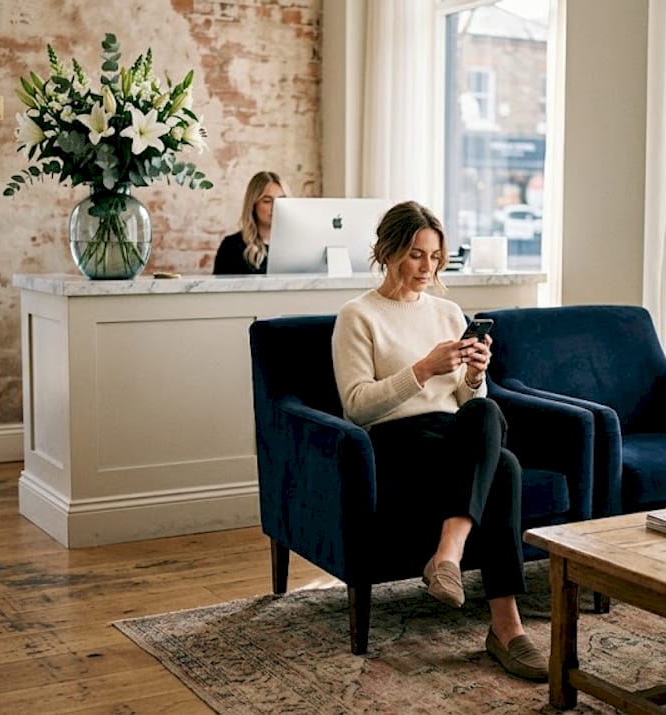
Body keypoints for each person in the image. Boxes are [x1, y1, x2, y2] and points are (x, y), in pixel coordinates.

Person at [330, 200, 547, 682]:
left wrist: (474, 375)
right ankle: (505, 627)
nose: (426, 267)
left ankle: (449, 553)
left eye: (434, 256)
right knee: (505, 467)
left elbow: (470, 401)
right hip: (395, 441)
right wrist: (423, 369)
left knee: (486, 410)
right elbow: (357, 406)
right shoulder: (357, 316)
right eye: (415, 255)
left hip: (453, 435)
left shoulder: (449, 313)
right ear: (388, 252)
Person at [213, 171, 290, 275]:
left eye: (281, 201)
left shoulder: (296, 245)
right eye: (267, 201)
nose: (275, 207)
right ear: (253, 205)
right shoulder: (231, 246)